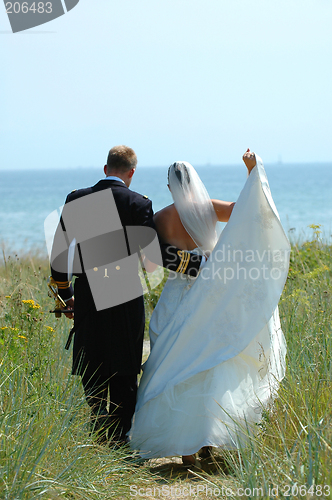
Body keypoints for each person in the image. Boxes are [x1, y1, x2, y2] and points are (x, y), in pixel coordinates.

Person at [128, 150, 290, 464]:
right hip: (209, 296)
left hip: (176, 297)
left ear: (170, 187)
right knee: (210, 364)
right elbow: (249, 213)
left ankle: (185, 448)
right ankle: (209, 443)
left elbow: (150, 263)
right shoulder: (209, 208)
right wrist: (252, 174)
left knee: (176, 365)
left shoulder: (160, 218)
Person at [50, 145, 205, 444]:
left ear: (106, 168)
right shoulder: (138, 202)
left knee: (92, 362)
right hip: (125, 293)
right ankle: (122, 439)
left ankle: (99, 432)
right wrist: (197, 263)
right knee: (124, 366)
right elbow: (155, 254)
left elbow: (60, 255)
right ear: (131, 173)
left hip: (89, 293)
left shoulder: (76, 198)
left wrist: (65, 295)